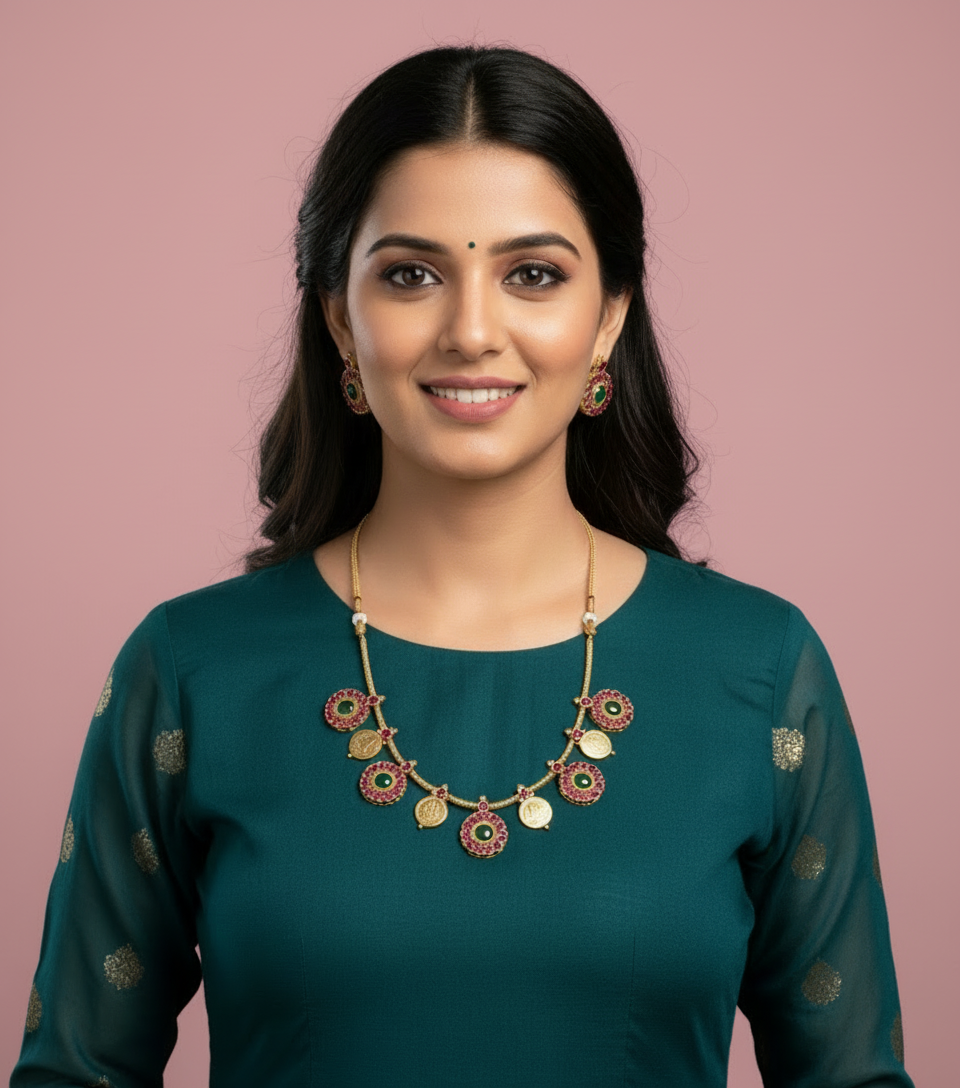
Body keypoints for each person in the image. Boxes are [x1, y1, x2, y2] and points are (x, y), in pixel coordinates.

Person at [12, 45, 913, 1087]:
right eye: (411, 274)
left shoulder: (758, 671)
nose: (473, 331)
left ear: (609, 315)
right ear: (338, 316)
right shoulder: (192, 671)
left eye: (532, 275)